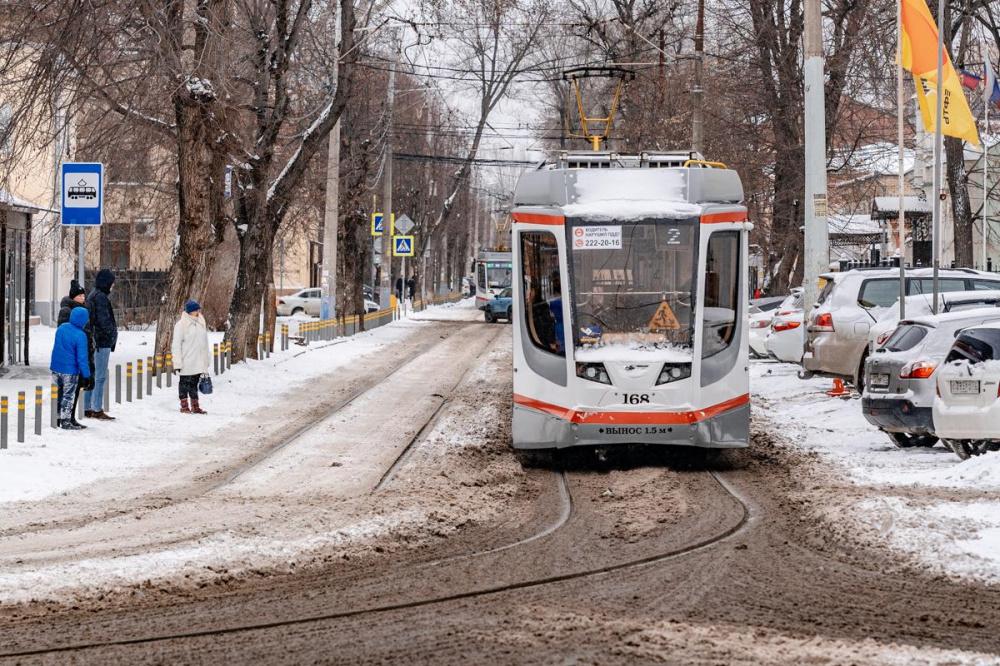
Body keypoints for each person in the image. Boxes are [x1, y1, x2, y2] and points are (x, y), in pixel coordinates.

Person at [57, 280, 94, 428]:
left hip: (82, 352)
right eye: (80, 295)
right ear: (73, 297)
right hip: (71, 357)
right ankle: (62, 418)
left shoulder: (82, 310)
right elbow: (66, 334)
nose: (83, 298)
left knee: (76, 388)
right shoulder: (67, 311)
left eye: (83, 295)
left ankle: (70, 417)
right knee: (67, 390)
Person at [50, 307, 93, 430]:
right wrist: (86, 375)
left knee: (57, 394)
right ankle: (66, 421)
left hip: (56, 367)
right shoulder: (81, 335)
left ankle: (57, 417)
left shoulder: (62, 328)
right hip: (70, 371)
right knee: (68, 396)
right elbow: (82, 358)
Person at [85, 269, 117, 420]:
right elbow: (104, 321)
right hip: (101, 341)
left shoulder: (93, 294)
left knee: (93, 374)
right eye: (111, 283)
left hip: (95, 341)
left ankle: (88, 407)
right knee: (100, 376)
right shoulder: (101, 298)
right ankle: (96, 408)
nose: (113, 286)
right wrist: (111, 335)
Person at [171, 300, 210, 414]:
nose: (198, 311)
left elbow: (205, 342)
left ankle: (195, 406)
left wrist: (206, 358)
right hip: (186, 360)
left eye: (198, 309)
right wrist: (177, 362)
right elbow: (176, 345)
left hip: (198, 360)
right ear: (190, 311)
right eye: (196, 309)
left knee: (194, 383)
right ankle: (184, 406)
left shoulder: (201, 322)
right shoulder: (181, 325)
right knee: (184, 383)